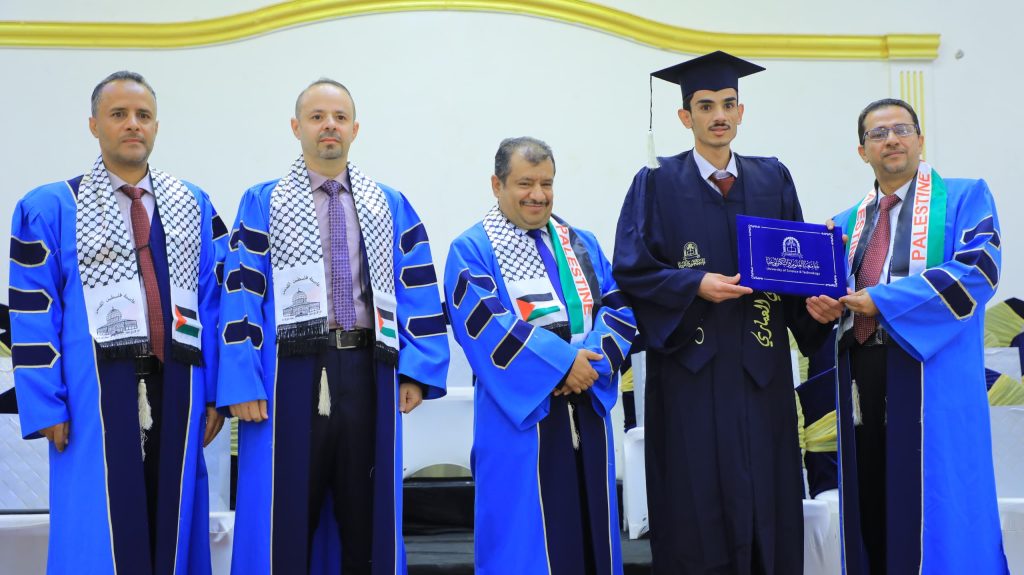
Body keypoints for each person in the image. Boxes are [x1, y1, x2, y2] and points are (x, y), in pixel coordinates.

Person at [612, 51, 839, 574]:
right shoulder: (655, 182)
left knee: (767, 492)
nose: (719, 115)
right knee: (696, 498)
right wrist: (694, 284)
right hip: (690, 371)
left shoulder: (772, 178)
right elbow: (631, 268)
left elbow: (795, 273)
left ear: (741, 112)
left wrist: (819, 304)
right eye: (705, 105)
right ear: (684, 116)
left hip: (761, 370)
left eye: (728, 104)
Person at [219, 78, 449, 575]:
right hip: (288, 373)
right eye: (318, 117)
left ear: (355, 129)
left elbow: (417, 288)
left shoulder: (388, 203)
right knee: (285, 511)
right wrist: (242, 379)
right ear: (296, 127)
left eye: (340, 117)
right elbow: (240, 293)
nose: (329, 126)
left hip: (368, 369)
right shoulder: (263, 202)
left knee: (365, 512)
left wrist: (417, 368)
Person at [9, 70, 226, 574]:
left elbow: (213, 303)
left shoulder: (192, 205)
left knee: (170, 522)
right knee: (101, 529)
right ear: (93, 125)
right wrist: (46, 403)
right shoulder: (51, 207)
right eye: (119, 114)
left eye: (143, 115)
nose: (133, 124)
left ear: (156, 126)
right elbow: (34, 311)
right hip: (93, 394)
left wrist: (215, 393)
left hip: (177, 383)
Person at [826, 98, 1007, 574]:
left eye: (902, 129)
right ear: (862, 151)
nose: (892, 140)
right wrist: (821, 307)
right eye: (878, 134)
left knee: (937, 501)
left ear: (921, 140)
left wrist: (884, 301)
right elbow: (834, 300)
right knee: (872, 499)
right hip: (863, 377)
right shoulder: (844, 223)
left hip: (931, 375)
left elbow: (979, 271)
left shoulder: (965, 198)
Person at [444, 137, 636, 575]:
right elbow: (486, 325)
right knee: (524, 542)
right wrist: (564, 365)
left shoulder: (580, 243)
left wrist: (590, 363)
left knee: (590, 535)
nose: (538, 194)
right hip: (521, 419)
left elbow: (618, 307)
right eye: (525, 183)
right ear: (497, 185)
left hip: (586, 408)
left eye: (546, 183)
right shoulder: (472, 249)